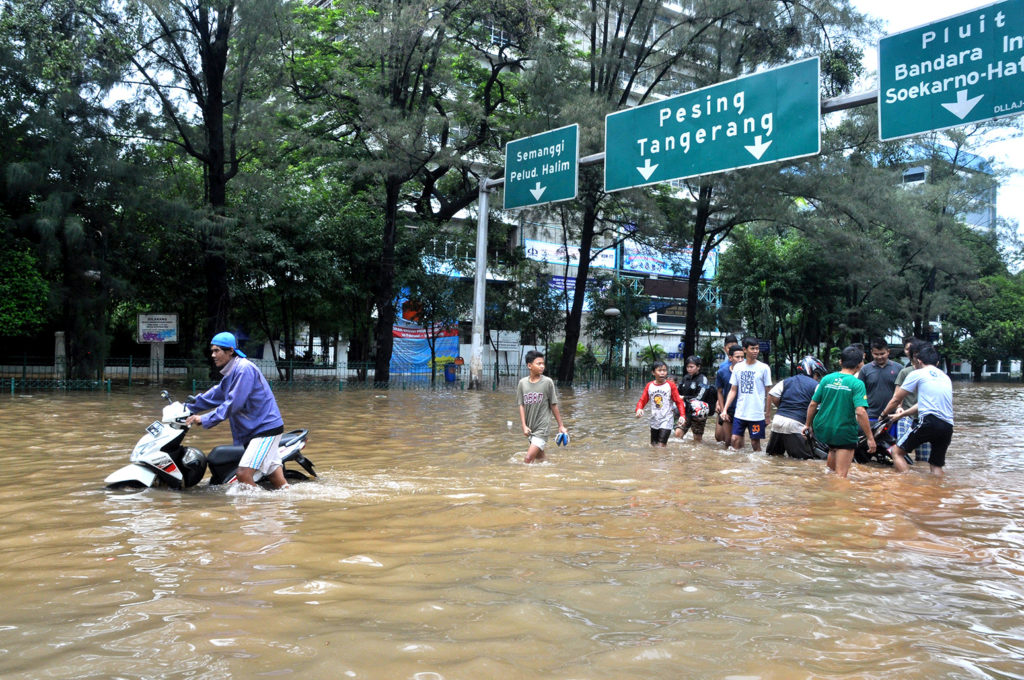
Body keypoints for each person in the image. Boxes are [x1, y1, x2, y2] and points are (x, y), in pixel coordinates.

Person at [185, 332, 288, 489]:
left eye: (216, 350)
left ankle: (256, 510)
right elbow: (216, 394)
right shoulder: (233, 371)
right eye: (212, 351)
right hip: (256, 430)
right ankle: (286, 505)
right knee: (275, 477)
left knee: (243, 475)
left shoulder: (243, 369)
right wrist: (186, 407)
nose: (213, 355)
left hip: (264, 429)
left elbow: (234, 404)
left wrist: (204, 419)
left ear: (230, 351)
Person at [880, 343, 954, 476]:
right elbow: (922, 404)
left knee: (896, 453)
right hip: (948, 426)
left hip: (929, 422)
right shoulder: (945, 377)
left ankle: (908, 485)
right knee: (936, 465)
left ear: (919, 361)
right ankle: (937, 491)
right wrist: (902, 415)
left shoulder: (917, 373)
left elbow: (896, 399)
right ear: (937, 362)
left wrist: (883, 415)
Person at [805, 345, 876, 478]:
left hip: (824, 429)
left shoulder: (827, 379)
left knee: (831, 467)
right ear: (860, 364)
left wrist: (807, 425)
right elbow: (860, 411)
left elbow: (813, 404)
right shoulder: (857, 384)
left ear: (840, 362)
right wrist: (870, 438)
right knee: (841, 477)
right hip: (843, 430)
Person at [766, 356, 827, 459]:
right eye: (817, 374)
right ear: (811, 371)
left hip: (778, 421)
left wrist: (781, 407)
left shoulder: (786, 381)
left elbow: (772, 394)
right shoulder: (816, 385)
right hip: (797, 424)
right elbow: (817, 407)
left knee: (773, 456)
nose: (817, 377)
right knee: (803, 461)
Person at [721, 337, 772, 451]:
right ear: (745, 350)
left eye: (757, 349)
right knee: (734, 440)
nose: (755, 351)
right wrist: (725, 409)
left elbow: (769, 392)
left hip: (756, 414)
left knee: (755, 443)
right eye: (752, 348)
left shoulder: (764, 368)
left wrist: (767, 415)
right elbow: (733, 390)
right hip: (740, 413)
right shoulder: (738, 367)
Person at [516, 350, 568, 463]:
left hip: (542, 428)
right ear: (529, 365)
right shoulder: (522, 383)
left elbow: (553, 404)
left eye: (543, 364)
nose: (542, 366)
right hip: (531, 427)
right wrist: (524, 426)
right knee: (541, 459)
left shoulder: (547, 382)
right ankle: (552, 471)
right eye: (538, 363)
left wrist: (561, 426)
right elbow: (521, 405)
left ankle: (525, 480)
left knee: (528, 459)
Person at [894, 337, 931, 463]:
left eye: (918, 355)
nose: (917, 358)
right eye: (914, 355)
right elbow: (897, 395)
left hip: (925, 418)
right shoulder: (905, 372)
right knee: (901, 451)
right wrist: (899, 408)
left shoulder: (932, 374)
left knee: (924, 459)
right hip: (906, 417)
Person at [635, 360, 687, 447]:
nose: (662, 373)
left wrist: (682, 415)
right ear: (653, 372)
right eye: (659, 370)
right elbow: (642, 400)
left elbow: (678, 401)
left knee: (661, 445)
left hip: (667, 419)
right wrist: (639, 409)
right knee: (653, 445)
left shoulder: (670, 385)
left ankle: (662, 460)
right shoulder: (649, 386)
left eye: (664, 370)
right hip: (654, 419)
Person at [858, 339, 902, 436]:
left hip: (892, 416)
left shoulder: (899, 369)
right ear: (872, 353)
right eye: (876, 354)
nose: (879, 357)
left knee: (892, 448)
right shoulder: (865, 370)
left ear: (888, 352)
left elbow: (903, 393)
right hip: (871, 416)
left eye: (882, 354)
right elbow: (860, 393)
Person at [674, 356, 714, 443]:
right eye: (687, 367)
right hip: (685, 410)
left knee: (697, 439)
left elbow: (700, 397)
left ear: (698, 367)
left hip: (698, 411)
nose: (689, 369)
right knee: (678, 434)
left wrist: (684, 397)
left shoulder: (703, 379)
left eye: (691, 367)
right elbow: (678, 392)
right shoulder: (685, 378)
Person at [714, 344, 745, 444]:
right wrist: (723, 410)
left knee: (739, 440)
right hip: (729, 409)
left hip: (742, 410)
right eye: (737, 357)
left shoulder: (747, 372)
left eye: (742, 357)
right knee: (727, 440)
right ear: (730, 358)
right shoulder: (722, 372)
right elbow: (719, 392)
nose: (740, 360)